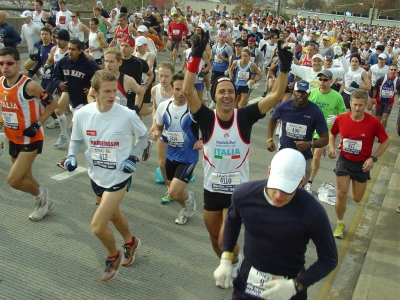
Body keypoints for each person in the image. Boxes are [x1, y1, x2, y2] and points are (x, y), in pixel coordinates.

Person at [182, 32, 293, 287]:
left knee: (224, 240)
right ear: (214, 96)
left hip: (237, 191)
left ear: (235, 95)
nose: (227, 95)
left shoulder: (243, 117)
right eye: (221, 91)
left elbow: (275, 96)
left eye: (230, 91)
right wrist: (196, 56)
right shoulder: (206, 118)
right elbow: (188, 89)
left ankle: (234, 263)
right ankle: (233, 262)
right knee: (214, 238)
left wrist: (284, 68)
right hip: (212, 188)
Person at [213, 148, 338, 298]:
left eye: (287, 189)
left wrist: (295, 285)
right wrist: (226, 259)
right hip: (248, 284)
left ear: (301, 182)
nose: (279, 196)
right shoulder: (244, 195)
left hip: (287, 289)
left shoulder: (313, 212)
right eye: (276, 186)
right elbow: (232, 221)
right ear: (269, 171)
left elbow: (329, 259)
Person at [63, 70, 149, 281]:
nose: (113, 95)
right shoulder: (83, 114)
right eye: (107, 91)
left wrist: (133, 157)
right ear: (94, 91)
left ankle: (113, 255)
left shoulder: (127, 115)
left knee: (97, 226)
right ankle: (131, 242)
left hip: (119, 176)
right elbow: (75, 140)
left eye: (114, 91)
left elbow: (144, 136)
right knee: (113, 215)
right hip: (96, 175)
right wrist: (71, 156)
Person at [0, 47, 57, 221]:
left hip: (30, 138)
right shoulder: (0, 82)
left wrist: (37, 124)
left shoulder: (29, 85)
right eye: (2, 63)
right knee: (26, 177)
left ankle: (42, 196)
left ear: (18, 64)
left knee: (14, 180)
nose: (5, 67)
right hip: (12, 137)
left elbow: (52, 103)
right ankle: (41, 201)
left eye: (9, 63)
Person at [328, 89, 390, 239]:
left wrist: (373, 158)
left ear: (366, 104)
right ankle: (340, 223)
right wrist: (331, 149)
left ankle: (349, 194)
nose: (357, 108)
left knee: (357, 198)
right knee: (341, 194)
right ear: (350, 103)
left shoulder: (373, 122)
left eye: (361, 105)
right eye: (355, 104)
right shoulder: (341, 119)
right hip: (344, 161)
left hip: (362, 165)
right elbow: (333, 133)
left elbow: (385, 141)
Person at [150, 73, 198, 225]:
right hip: (171, 153)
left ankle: (186, 206)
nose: (181, 93)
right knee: (172, 186)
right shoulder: (164, 106)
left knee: (173, 192)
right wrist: (156, 131)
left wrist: (202, 140)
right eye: (177, 89)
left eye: (184, 89)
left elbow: (209, 128)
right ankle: (188, 197)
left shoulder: (194, 108)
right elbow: (158, 125)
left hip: (189, 156)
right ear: (171, 88)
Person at [267, 80, 328, 183]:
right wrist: (270, 139)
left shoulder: (315, 112)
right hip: (283, 154)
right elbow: (272, 119)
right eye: (298, 91)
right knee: (277, 184)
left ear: (309, 94)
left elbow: (325, 139)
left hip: (303, 158)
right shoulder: (283, 107)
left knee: (300, 190)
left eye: (304, 92)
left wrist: (309, 144)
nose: (300, 95)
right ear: (293, 92)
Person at [53, 38, 100, 147]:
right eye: (69, 49)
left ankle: (71, 153)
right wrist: (59, 83)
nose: (70, 51)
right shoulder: (63, 61)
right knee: (58, 110)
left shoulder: (89, 64)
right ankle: (64, 135)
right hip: (69, 92)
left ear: (80, 51)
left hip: (82, 98)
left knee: (73, 127)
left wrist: (91, 88)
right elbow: (56, 76)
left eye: (73, 49)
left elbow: (100, 78)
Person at [306, 70, 347, 193]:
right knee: (307, 157)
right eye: (320, 79)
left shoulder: (337, 97)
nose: (322, 82)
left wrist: (337, 119)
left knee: (315, 157)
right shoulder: (311, 93)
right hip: (309, 130)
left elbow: (343, 116)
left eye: (325, 80)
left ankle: (309, 182)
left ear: (332, 81)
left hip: (324, 132)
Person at [119, 36, 154, 161]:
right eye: (122, 45)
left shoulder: (139, 63)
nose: (123, 48)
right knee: (132, 123)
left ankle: (141, 143)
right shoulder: (117, 62)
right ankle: (144, 143)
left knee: (136, 118)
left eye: (126, 46)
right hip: (122, 95)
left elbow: (150, 74)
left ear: (132, 47)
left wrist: (145, 85)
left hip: (137, 95)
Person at [151, 62, 175, 203]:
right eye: (160, 75)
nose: (163, 79)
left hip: (179, 134)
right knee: (162, 164)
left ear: (173, 76)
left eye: (166, 76)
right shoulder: (155, 90)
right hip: (163, 132)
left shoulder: (179, 91)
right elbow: (155, 108)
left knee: (175, 163)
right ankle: (170, 189)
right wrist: (154, 125)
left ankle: (176, 186)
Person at [371, 64, 400, 130]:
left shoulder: (398, 81)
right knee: (378, 119)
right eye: (391, 69)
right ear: (388, 70)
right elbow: (375, 88)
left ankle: (382, 132)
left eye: (394, 70)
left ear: (396, 71)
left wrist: (399, 99)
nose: (393, 71)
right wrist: (374, 97)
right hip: (379, 101)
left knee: (384, 118)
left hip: (389, 102)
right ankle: (377, 132)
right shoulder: (382, 78)